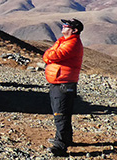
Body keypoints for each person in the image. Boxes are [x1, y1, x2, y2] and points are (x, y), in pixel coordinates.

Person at [43, 18, 84, 156]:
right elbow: (50, 54)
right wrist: (49, 56)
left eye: (67, 26)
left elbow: (54, 54)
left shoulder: (72, 43)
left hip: (64, 83)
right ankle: (66, 138)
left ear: (74, 30)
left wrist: (49, 56)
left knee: (61, 113)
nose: (63, 27)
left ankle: (60, 146)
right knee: (60, 111)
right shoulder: (62, 41)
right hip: (59, 81)